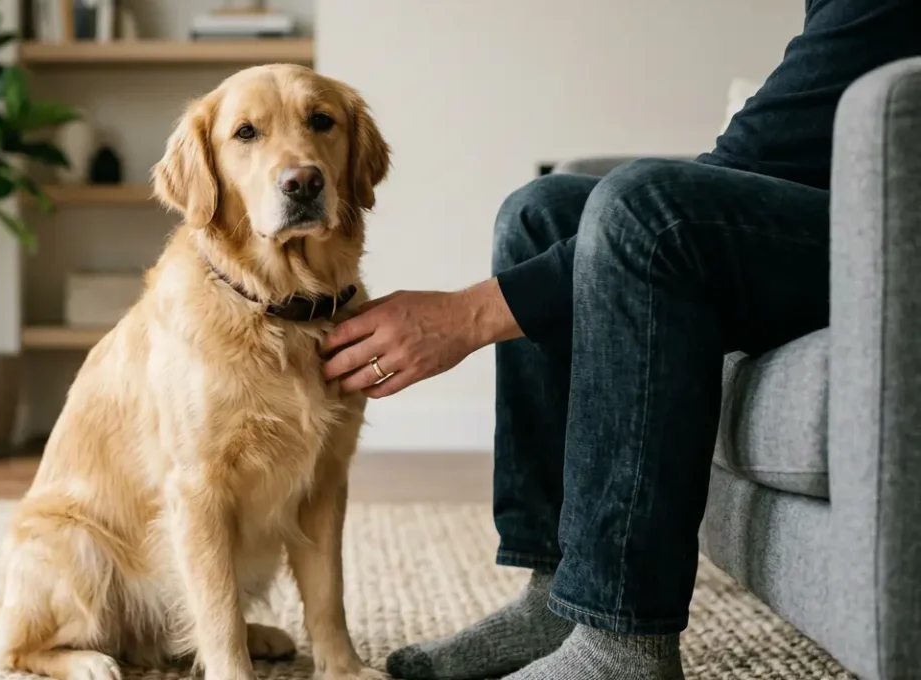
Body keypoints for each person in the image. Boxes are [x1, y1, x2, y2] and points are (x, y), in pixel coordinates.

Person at [319, 2, 921, 679]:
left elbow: (775, 145)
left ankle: (620, 647)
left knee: (646, 211)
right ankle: (555, 597)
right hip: (844, 196)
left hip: (899, 223)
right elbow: (804, 134)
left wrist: (466, 316)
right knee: (541, 214)